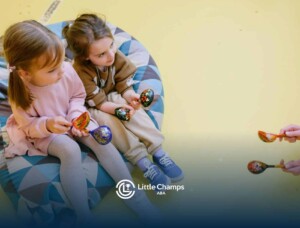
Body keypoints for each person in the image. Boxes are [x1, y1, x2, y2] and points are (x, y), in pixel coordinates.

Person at [2, 20, 159, 226]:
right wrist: (48, 125)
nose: (61, 71)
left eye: (60, 63)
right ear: (25, 73)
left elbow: (78, 96)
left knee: (100, 139)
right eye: (51, 70)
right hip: (46, 132)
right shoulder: (20, 94)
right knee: (70, 150)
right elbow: (28, 125)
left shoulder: (65, 69)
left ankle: (135, 197)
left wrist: (76, 115)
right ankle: (82, 213)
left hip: (74, 117)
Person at [63, 14, 184, 189]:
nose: (110, 55)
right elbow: (99, 103)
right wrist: (119, 110)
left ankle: (158, 151)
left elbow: (123, 84)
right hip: (93, 106)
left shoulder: (114, 56)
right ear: (85, 57)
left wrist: (129, 97)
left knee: (136, 114)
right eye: (101, 54)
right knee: (111, 123)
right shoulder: (80, 71)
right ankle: (143, 162)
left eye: (111, 46)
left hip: (111, 95)